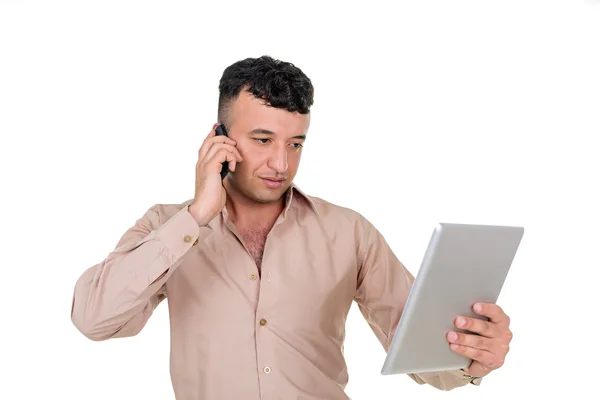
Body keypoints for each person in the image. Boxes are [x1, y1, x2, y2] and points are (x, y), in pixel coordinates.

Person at [70, 55, 513, 399]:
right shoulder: (166, 226)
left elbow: (420, 352)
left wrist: (471, 360)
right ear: (218, 136)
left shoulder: (349, 232)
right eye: (263, 140)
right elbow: (94, 319)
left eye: (295, 144)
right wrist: (198, 215)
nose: (282, 164)